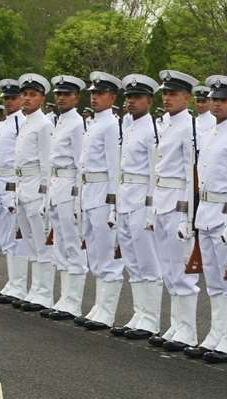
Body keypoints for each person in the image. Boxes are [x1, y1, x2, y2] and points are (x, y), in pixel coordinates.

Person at [183, 74, 227, 362]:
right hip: (205, 211)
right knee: (213, 281)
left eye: (224, 100)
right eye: (215, 99)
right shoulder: (209, 132)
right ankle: (216, 334)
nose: (217, 105)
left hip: (224, 213)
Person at [146, 69, 201, 352]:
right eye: (165, 93)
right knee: (168, 268)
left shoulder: (189, 127)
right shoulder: (166, 124)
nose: (167, 98)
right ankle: (176, 324)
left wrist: (188, 216)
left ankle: (188, 330)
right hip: (161, 200)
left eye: (173, 94)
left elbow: (192, 173)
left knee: (182, 271)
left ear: (187, 97)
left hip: (178, 205)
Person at [108, 73, 163, 340]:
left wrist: (152, 208)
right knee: (132, 259)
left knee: (148, 260)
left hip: (142, 198)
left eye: (137, 97)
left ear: (150, 101)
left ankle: (151, 318)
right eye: (128, 97)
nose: (131, 101)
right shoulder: (128, 126)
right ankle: (140, 313)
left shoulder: (153, 130)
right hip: (126, 197)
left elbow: (155, 173)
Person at [74, 71, 125, 331]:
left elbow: (115, 166)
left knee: (107, 254)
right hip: (89, 190)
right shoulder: (94, 123)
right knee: (94, 251)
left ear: (112, 97)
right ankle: (98, 305)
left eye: (100, 93)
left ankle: (107, 310)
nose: (94, 97)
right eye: (92, 93)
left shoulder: (111, 125)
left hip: (104, 191)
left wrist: (115, 203)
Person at [39, 75, 88, 321]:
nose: (60, 98)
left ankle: (74, 302)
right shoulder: (58, 122)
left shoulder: (77, 123)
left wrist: (78, 199)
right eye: (58, 94)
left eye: (66, 94)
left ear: (76, 97)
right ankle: (63, 297)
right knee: (59, 243)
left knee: (72, 243)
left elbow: (80, 164)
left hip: (69, 185)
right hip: (56, 185)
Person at [7, 73, 56, 312]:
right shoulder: (26, 122)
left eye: (32, 95)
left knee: (41, 242)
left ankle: (44, 293)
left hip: (36, 186)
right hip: (22, 185)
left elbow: (47, 163)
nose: (26, 98)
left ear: (42, 99)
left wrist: (46, 195)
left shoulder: (44, 124)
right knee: (30, 242)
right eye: (24, 94)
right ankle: (34, 289)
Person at [0, 79, 29, 306]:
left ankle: (19, 285)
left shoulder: (20, 122)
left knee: (15, 238)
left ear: (22, 99)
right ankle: (11, 284)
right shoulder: (6, 122)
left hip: (11, 182)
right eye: (5, 99)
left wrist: (16, 187)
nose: (8, 102)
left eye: (12, 98)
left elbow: (21, 157)